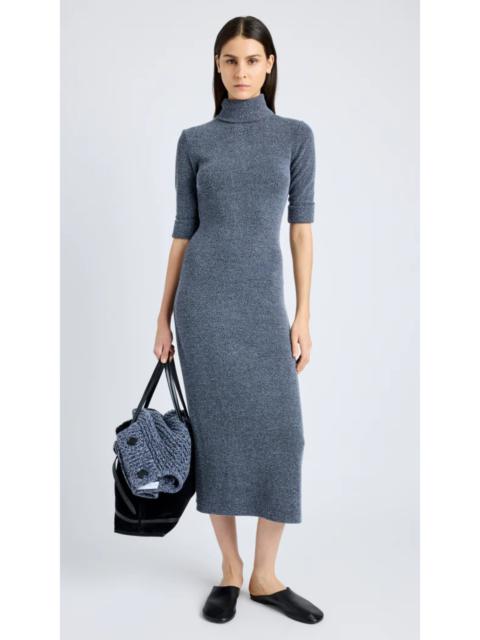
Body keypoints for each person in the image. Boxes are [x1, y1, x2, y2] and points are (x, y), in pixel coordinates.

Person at [154, 16, 324, 625]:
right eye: (231, 60)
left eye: (253, 60)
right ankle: (230, 569)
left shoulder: (294, 137)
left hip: (262, 306)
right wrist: (162, 316)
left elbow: (300, 231)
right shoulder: (194, 140)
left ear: (270, 64)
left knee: (285, 437)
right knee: (219, 439)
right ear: (217, 66)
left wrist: (303, 313)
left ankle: (266, 576)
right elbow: (183, 232)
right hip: (202, 306)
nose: (242, 71)